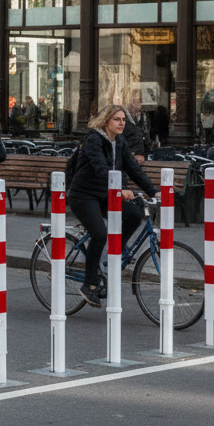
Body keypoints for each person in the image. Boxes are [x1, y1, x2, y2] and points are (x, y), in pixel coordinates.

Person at [67, 104, 157, 307]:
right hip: (84, 195)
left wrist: (153, 191)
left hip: (105, 195)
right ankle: (89, 284)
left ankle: (118, 250)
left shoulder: (120, 142)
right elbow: (101, 169)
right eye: (117, 119)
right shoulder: (94, 140)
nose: (121, 123)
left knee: (134, 214)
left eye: (124, 120)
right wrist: (120, 189)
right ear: (106, 121)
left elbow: (134, 169)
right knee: (99, 233)